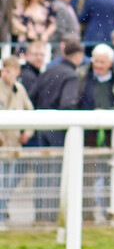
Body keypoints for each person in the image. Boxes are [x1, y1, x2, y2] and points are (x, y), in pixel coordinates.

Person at [76, 44, 114, 222]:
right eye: (95, 61)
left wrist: (109, 113)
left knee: (112, 174)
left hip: (111, 133)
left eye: (102, 62)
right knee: (87, 175)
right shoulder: (82, 75)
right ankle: (85, 215)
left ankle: (111, 212)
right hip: (88, 133)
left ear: (110, 63)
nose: (98, 65)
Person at [28, 40, 85, 222]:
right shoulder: (72, 75)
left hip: (42, 126)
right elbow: (67, 105)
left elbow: (33, 96)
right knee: (57, 172)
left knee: (42, 172)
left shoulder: (49, 70)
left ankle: (41, 213)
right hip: (58, 129)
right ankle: (52, 213)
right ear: (78, 56)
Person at [0, 56, 35, 229]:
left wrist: (27, 133)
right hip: (1, 146)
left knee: (8, 183)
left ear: (16, 72)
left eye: (8, 71)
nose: (5, 74)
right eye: (3, 70)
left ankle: (3, 211)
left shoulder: (20, 89)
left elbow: (30, 112)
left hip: (13, 146)